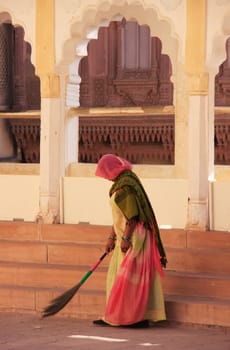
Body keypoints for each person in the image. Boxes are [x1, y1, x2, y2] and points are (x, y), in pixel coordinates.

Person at [93, 153, 167, 328]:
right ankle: (116, 316)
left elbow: (132, 217)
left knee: (129, 282)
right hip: (124, 238)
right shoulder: (123, 183)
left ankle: (134, 319)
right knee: (118, 279)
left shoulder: (124, 188)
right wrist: (112, 237)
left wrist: (125, 239)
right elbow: (119, 215)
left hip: (134, 240)